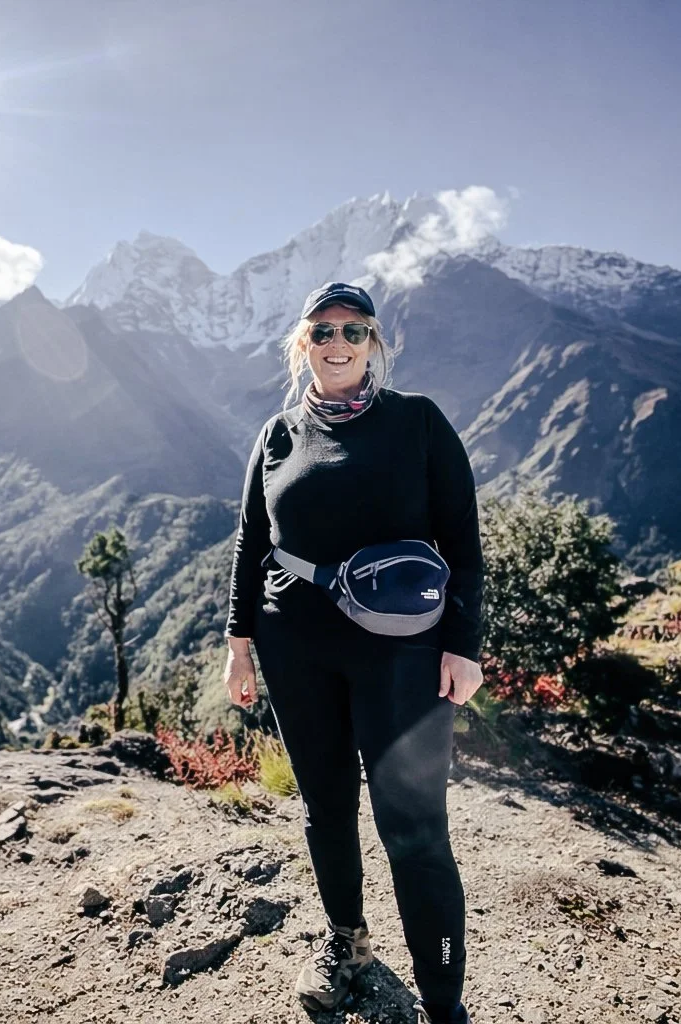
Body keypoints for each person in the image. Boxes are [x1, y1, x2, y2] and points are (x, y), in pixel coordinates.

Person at [222, 282, 485, 1024]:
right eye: (323, 331)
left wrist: (464, 646)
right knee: (326, 806)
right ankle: (347, 941)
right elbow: (252, 542)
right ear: (301, 344)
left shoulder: (419, 424)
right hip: (294, 645)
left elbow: (463, 541)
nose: (337, 344)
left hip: (403, 653)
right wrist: (239, 644)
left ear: (375, 344)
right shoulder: (276, 434)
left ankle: (443, 999)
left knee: (415, 827)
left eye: (354, 331)